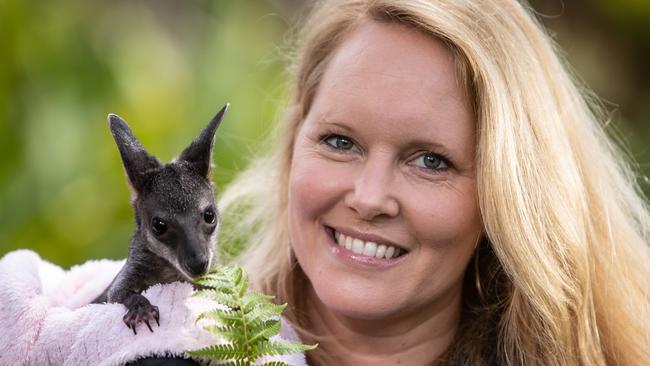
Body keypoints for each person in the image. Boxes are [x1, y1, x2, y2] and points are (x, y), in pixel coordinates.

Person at [214, 0, 650, 365]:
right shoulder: (167, 346)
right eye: (340, 141)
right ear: (294, 146)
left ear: (507, 197)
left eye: (430, 161)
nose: (369, 198)